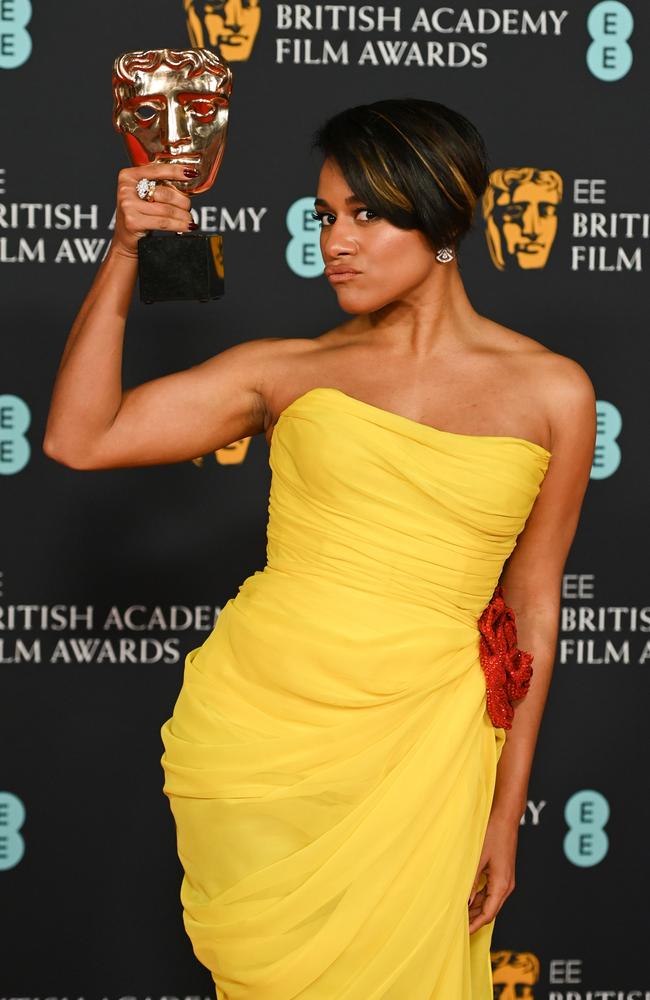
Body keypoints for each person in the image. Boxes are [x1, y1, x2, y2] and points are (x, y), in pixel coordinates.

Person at [43, 98, 596, 998]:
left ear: (444, 208)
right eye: (326, 216)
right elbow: (79, 436)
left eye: (367, 214)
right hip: (265, 734)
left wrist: (508, 813)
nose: (336, 241)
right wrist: (124, 251)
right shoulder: (286, 370)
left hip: (426, 749)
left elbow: (534, 602)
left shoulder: (554, 393)